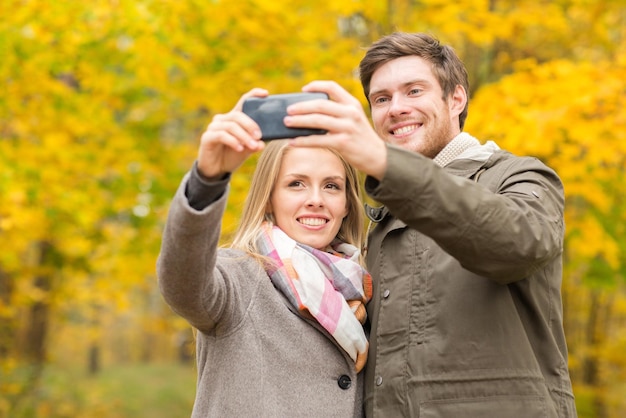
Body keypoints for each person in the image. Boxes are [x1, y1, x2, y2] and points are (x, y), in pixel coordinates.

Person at [284, 32, 577, 417]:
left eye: (414, 91)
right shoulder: (382, 219)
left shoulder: (521, 177)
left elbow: (516, 244)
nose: (396, 108)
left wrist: (384, 163)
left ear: (456, 99)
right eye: (382, 99)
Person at [156, 89, 372, 417]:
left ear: (346, 204)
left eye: (331, 186)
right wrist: (207, 180)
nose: (316, 199)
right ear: (269, 198)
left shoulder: (364, 287)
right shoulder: (239, 277)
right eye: (296, 184)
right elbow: (181, 283)